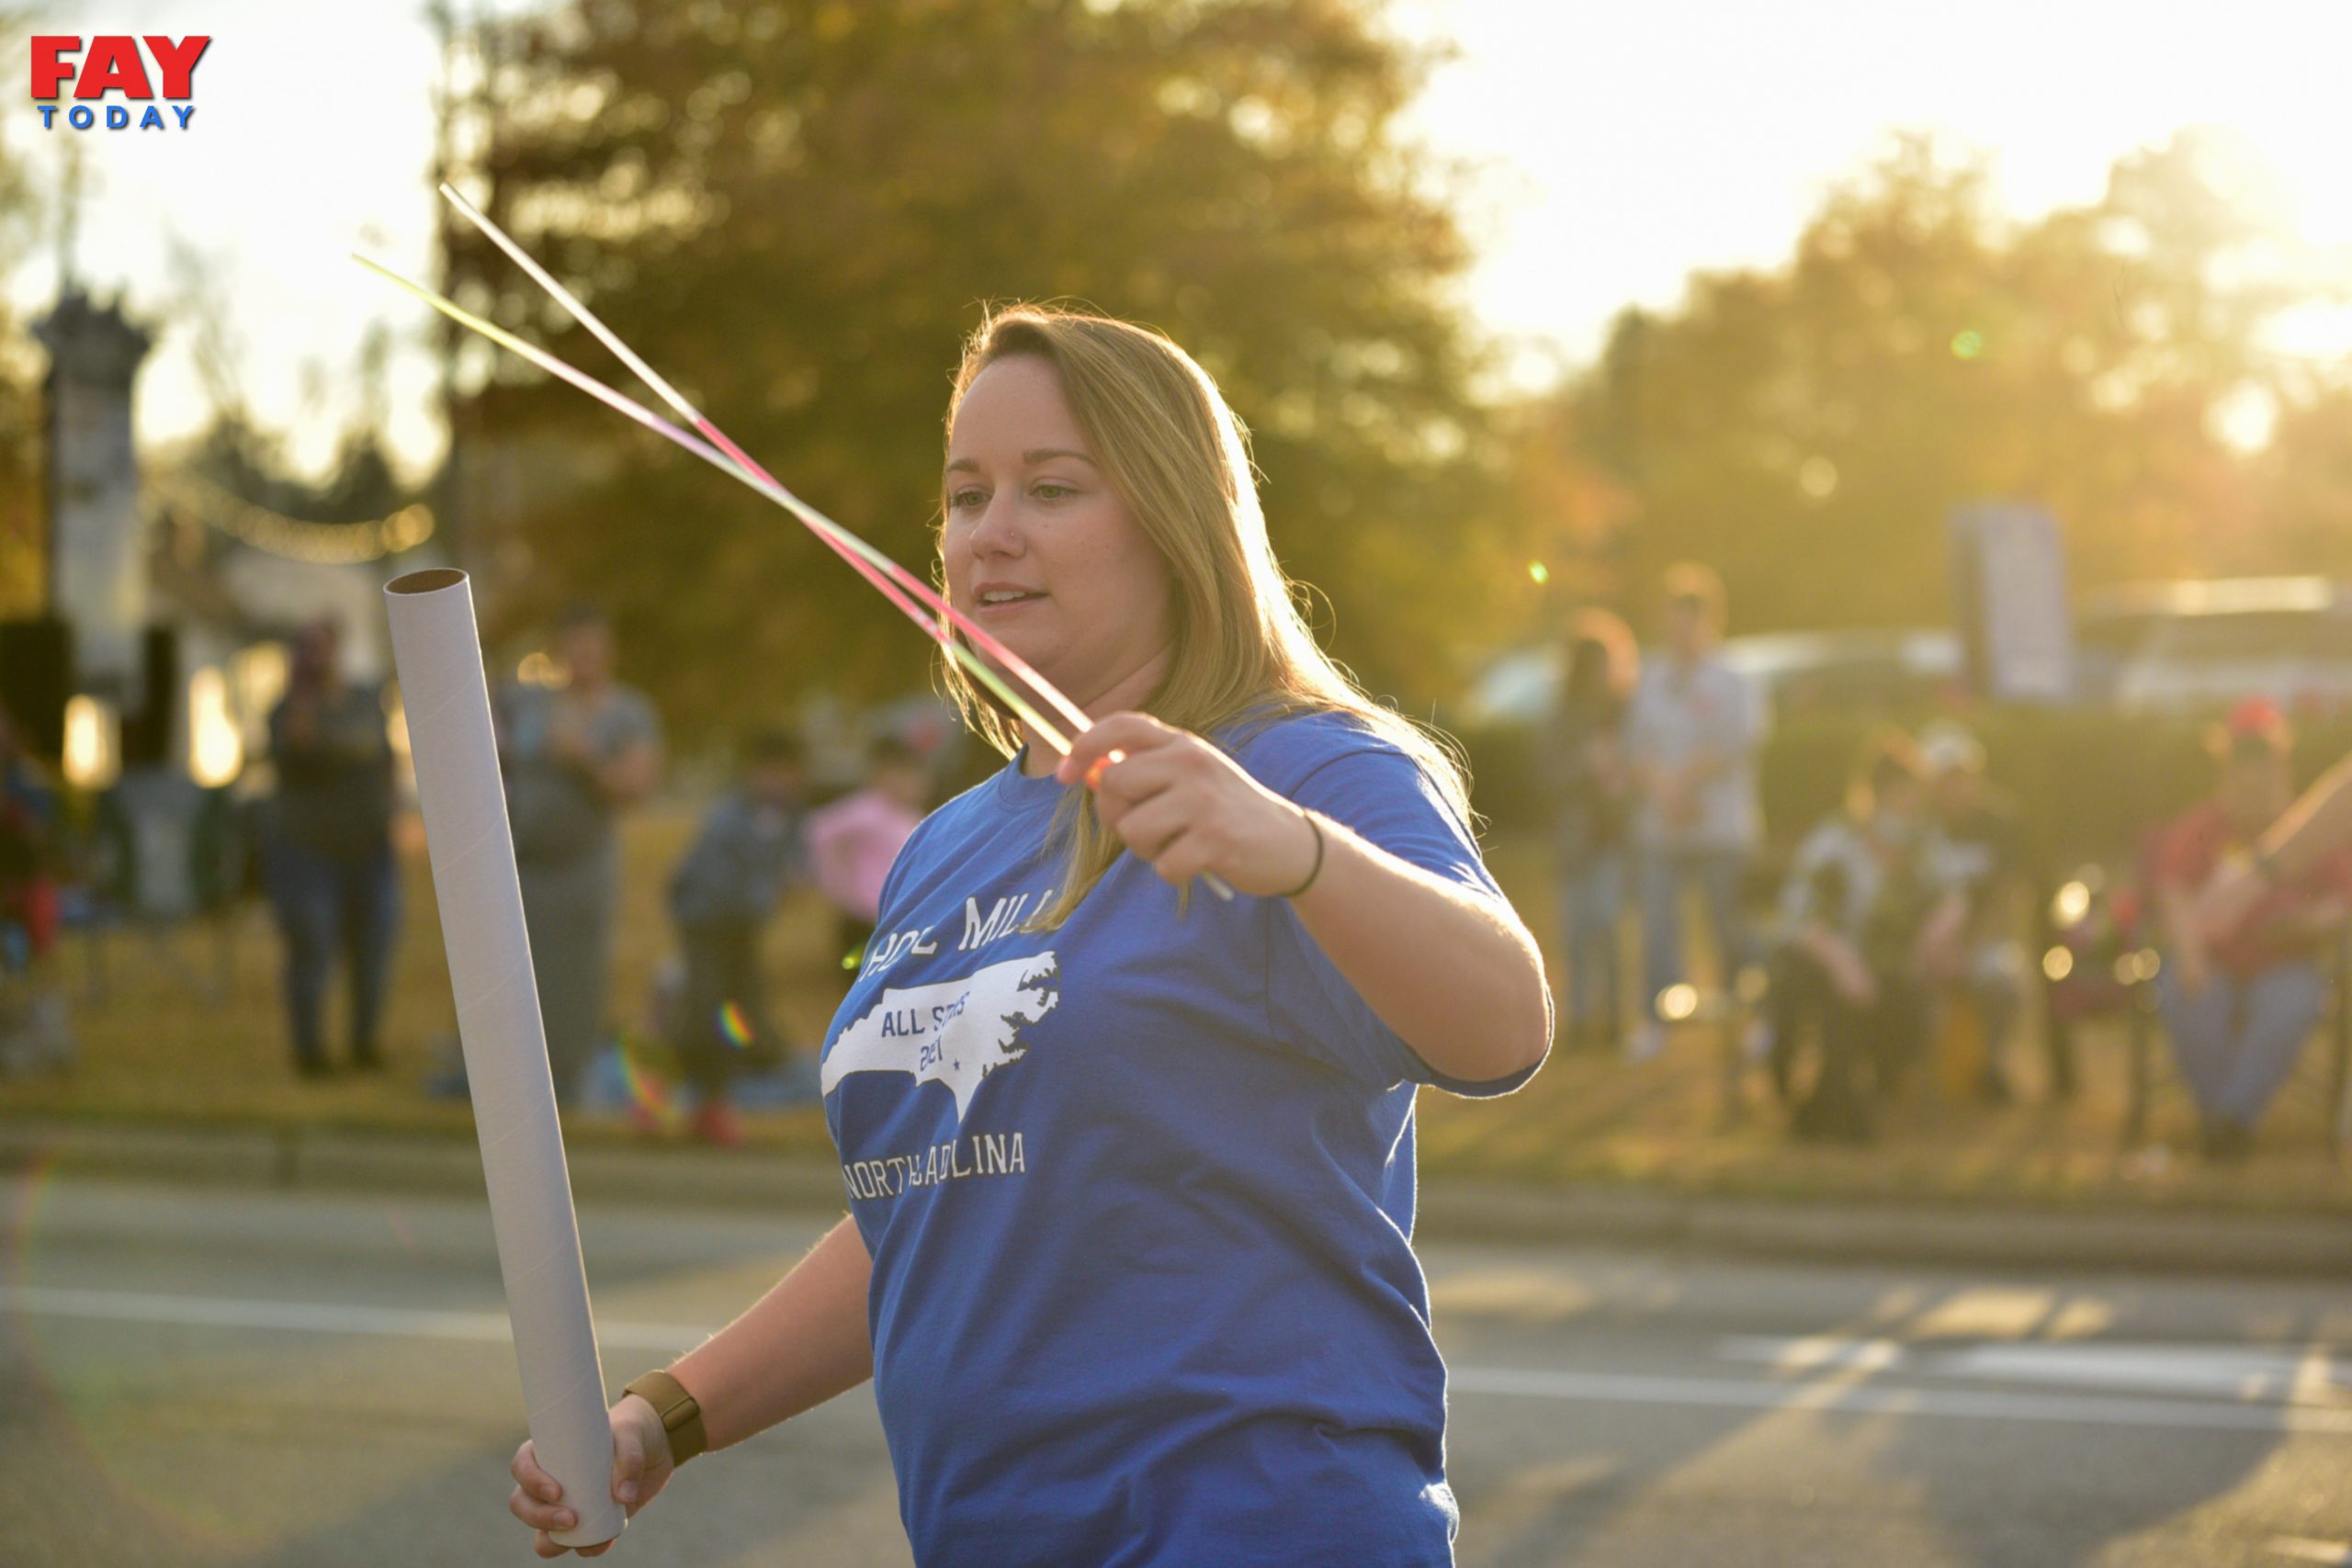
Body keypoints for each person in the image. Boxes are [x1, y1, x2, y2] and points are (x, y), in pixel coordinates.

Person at [505, 306, 1552, 1565]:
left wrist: (1297, 852)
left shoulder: (1305, 765)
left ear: (1176, 518)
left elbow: (1506, 1021)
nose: (989, 532)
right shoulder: (946, 844)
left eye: (1052, 488)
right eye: (964, 494)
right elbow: (942, 1205)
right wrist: (668, 1415)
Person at [2150, 699, 2351, 1159]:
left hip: (2286, 960)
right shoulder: (2202, 827)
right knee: (2191, 998)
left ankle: (2230, 1120)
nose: (2254, 785)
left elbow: (2343, 897)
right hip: (2211, 960)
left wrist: (2310, 921)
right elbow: (2172, 891)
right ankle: (2223, 1119)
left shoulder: (2308, 826)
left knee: (2289, 1007)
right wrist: (2191, 954)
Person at [495, 604, 663, 1107]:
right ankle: (512, 1084)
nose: (584, 654)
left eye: (594, 643)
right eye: (575, 642)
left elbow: (637, 785)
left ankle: (568, 1082)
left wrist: (583, 756)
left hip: (583, 867)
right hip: (523, 863)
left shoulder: (628, 712)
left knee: (575, 978)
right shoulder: (528, 704)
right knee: (515, 976)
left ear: (609, 650)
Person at [1764, 734, 1938, 1143]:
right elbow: (1803, 917)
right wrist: (1844, 963)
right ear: (1885, 793)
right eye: (1909, 793)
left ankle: (1834, 1106)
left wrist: (1942, 923)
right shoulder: (1838, 840)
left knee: (1884, 997)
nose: (1915, 803)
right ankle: (1836, 1109)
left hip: (1879, 967)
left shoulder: (1918, 846)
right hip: (1819, 959)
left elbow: (1946, 892)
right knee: (1832, 995)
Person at [1623, 563, 1762, 1061]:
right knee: (1659, 930)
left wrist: (1683, 784)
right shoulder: (1650, 678)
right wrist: (1662, 788)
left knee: (1729, 929)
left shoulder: (1732, 678)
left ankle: (1748, 1022)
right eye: (1672, 618)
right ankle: (1657, 1020)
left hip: (1720, 829)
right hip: (1661, 828)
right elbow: (1636, 746)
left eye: (1690, 619)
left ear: (1710, 621)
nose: (1679, 630)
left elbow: (1733, 743)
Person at [263, 618, 399, 1078]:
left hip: (369, 846)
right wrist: (302, 697)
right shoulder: (287, 709)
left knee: (373, 951)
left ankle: (365, 1043)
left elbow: (381, 757)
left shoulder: (364, 701)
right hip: (308, 851)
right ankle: (311, 1053)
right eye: (309, 648)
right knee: (312, 950)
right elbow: (297, 749)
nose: (319, 658)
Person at [663, 728, 811, 1146]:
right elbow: (715, 881)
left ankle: (722, 1090)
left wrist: (791, 879)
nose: (785, 782)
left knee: (739, 1003)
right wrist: (770, 892)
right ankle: (704, 1095)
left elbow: (795, 859)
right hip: (708, 923)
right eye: (776, 772)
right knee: (710, 1003)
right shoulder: (730, 817)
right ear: (754, 772)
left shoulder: (789, 812)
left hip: (743, 926)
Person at [1916, 722, 2029, 1102]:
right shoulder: (1918, 827)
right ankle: (1919, 1072)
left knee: (2001, 980)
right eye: (1946, 779)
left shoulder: (1998, 823)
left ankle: (1990, 1064)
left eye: (1962, 777)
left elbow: (2007, 897)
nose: (1955, 788)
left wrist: (1970, 945)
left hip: (1984, 938)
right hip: (1927, 942)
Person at [1541, 610, 1636, 1051]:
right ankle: (1578, 1022)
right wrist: (1587, 766)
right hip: (1577, 839)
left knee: (1608, 930)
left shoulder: (1623, 712)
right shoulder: (1563, 715)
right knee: (1577, 934)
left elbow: (1637, 768)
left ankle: (1613, 1021)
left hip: (1612, 838)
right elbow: (1547, 772)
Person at [803, 735, 928, 976]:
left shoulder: (910, 816)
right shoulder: (867, 809)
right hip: (864, 920)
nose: (912, 783)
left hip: (897, 918)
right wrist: (839, 885)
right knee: (861, 985)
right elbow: (819, 832)